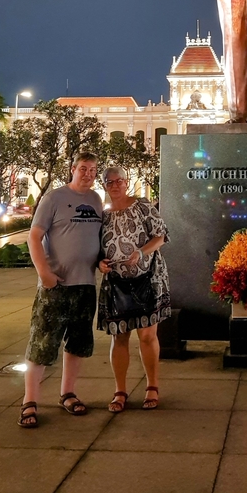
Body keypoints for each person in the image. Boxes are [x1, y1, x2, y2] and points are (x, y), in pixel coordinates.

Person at [19, 151, 102, 428]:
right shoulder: (53, 198)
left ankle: (67, 393)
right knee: (42, 343)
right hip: (56, 285)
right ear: (72, 169)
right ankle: (29, 401)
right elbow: (34, 236)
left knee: (77, 344)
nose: (88, 174)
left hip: (85, 285)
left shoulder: (95, 200)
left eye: (92, 170)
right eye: (83, 169)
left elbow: (96, 238)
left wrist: (101, 260)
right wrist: (44, 273)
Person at [97, 167, 171, 412]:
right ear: (105, 185)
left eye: (119, 181)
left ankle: (152, 386)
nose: (115, 185)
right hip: (117, 283)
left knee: (147, 335)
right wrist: (101, 262)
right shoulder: (103, 215)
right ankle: (120, 390)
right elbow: (97, 249)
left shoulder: (142, 206)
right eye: (110, 182)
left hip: (147, 279)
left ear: (126, 183)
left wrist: (141, 252)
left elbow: (161, 236)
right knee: (119, 336)